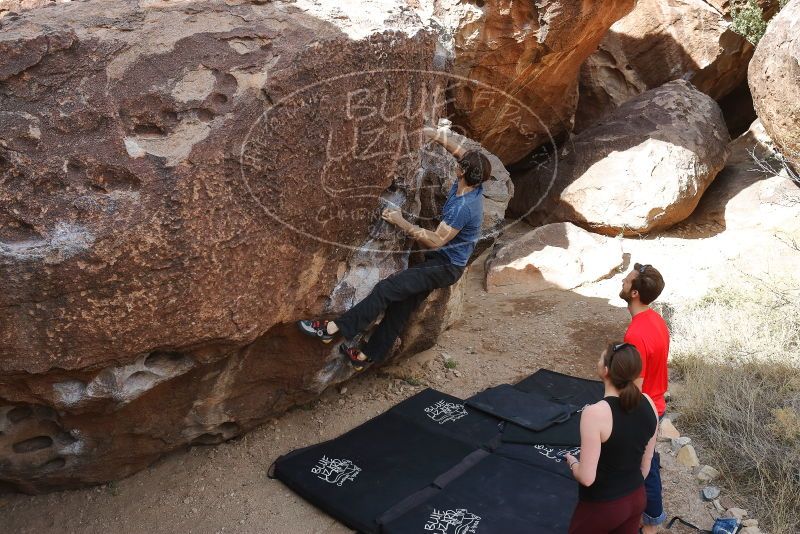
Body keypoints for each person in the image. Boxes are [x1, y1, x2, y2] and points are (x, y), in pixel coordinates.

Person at [297, 125, 491, 370]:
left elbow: (436, 240)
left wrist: (400, 222)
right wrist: (431, 132)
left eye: (461, 164)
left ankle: (332, 329)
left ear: (462, 172)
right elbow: (459, 151)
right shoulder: (473, 181)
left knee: (387, 289)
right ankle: (367, 356)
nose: (458, 161)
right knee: (402, 305)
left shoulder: (463, 207)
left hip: (445, 266)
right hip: (442, 262)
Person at [565, 342, 659, 534]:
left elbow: (586, 478)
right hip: (636, 499)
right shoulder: (649, 402)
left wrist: (572, 462)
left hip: (603, 507)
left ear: (606, 370)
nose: (597, 361)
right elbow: (647, 462)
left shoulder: (596, 413)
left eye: (600, 358)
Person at [619, 262, 669, 533]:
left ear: (635, 293)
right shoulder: (656, 320)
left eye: (627, 281)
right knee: (650, 460)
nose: (623, 283)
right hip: (657, 401)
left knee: (644, 465)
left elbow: (635, 385)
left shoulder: (636, 334)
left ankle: (651, 521)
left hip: (644, 407)